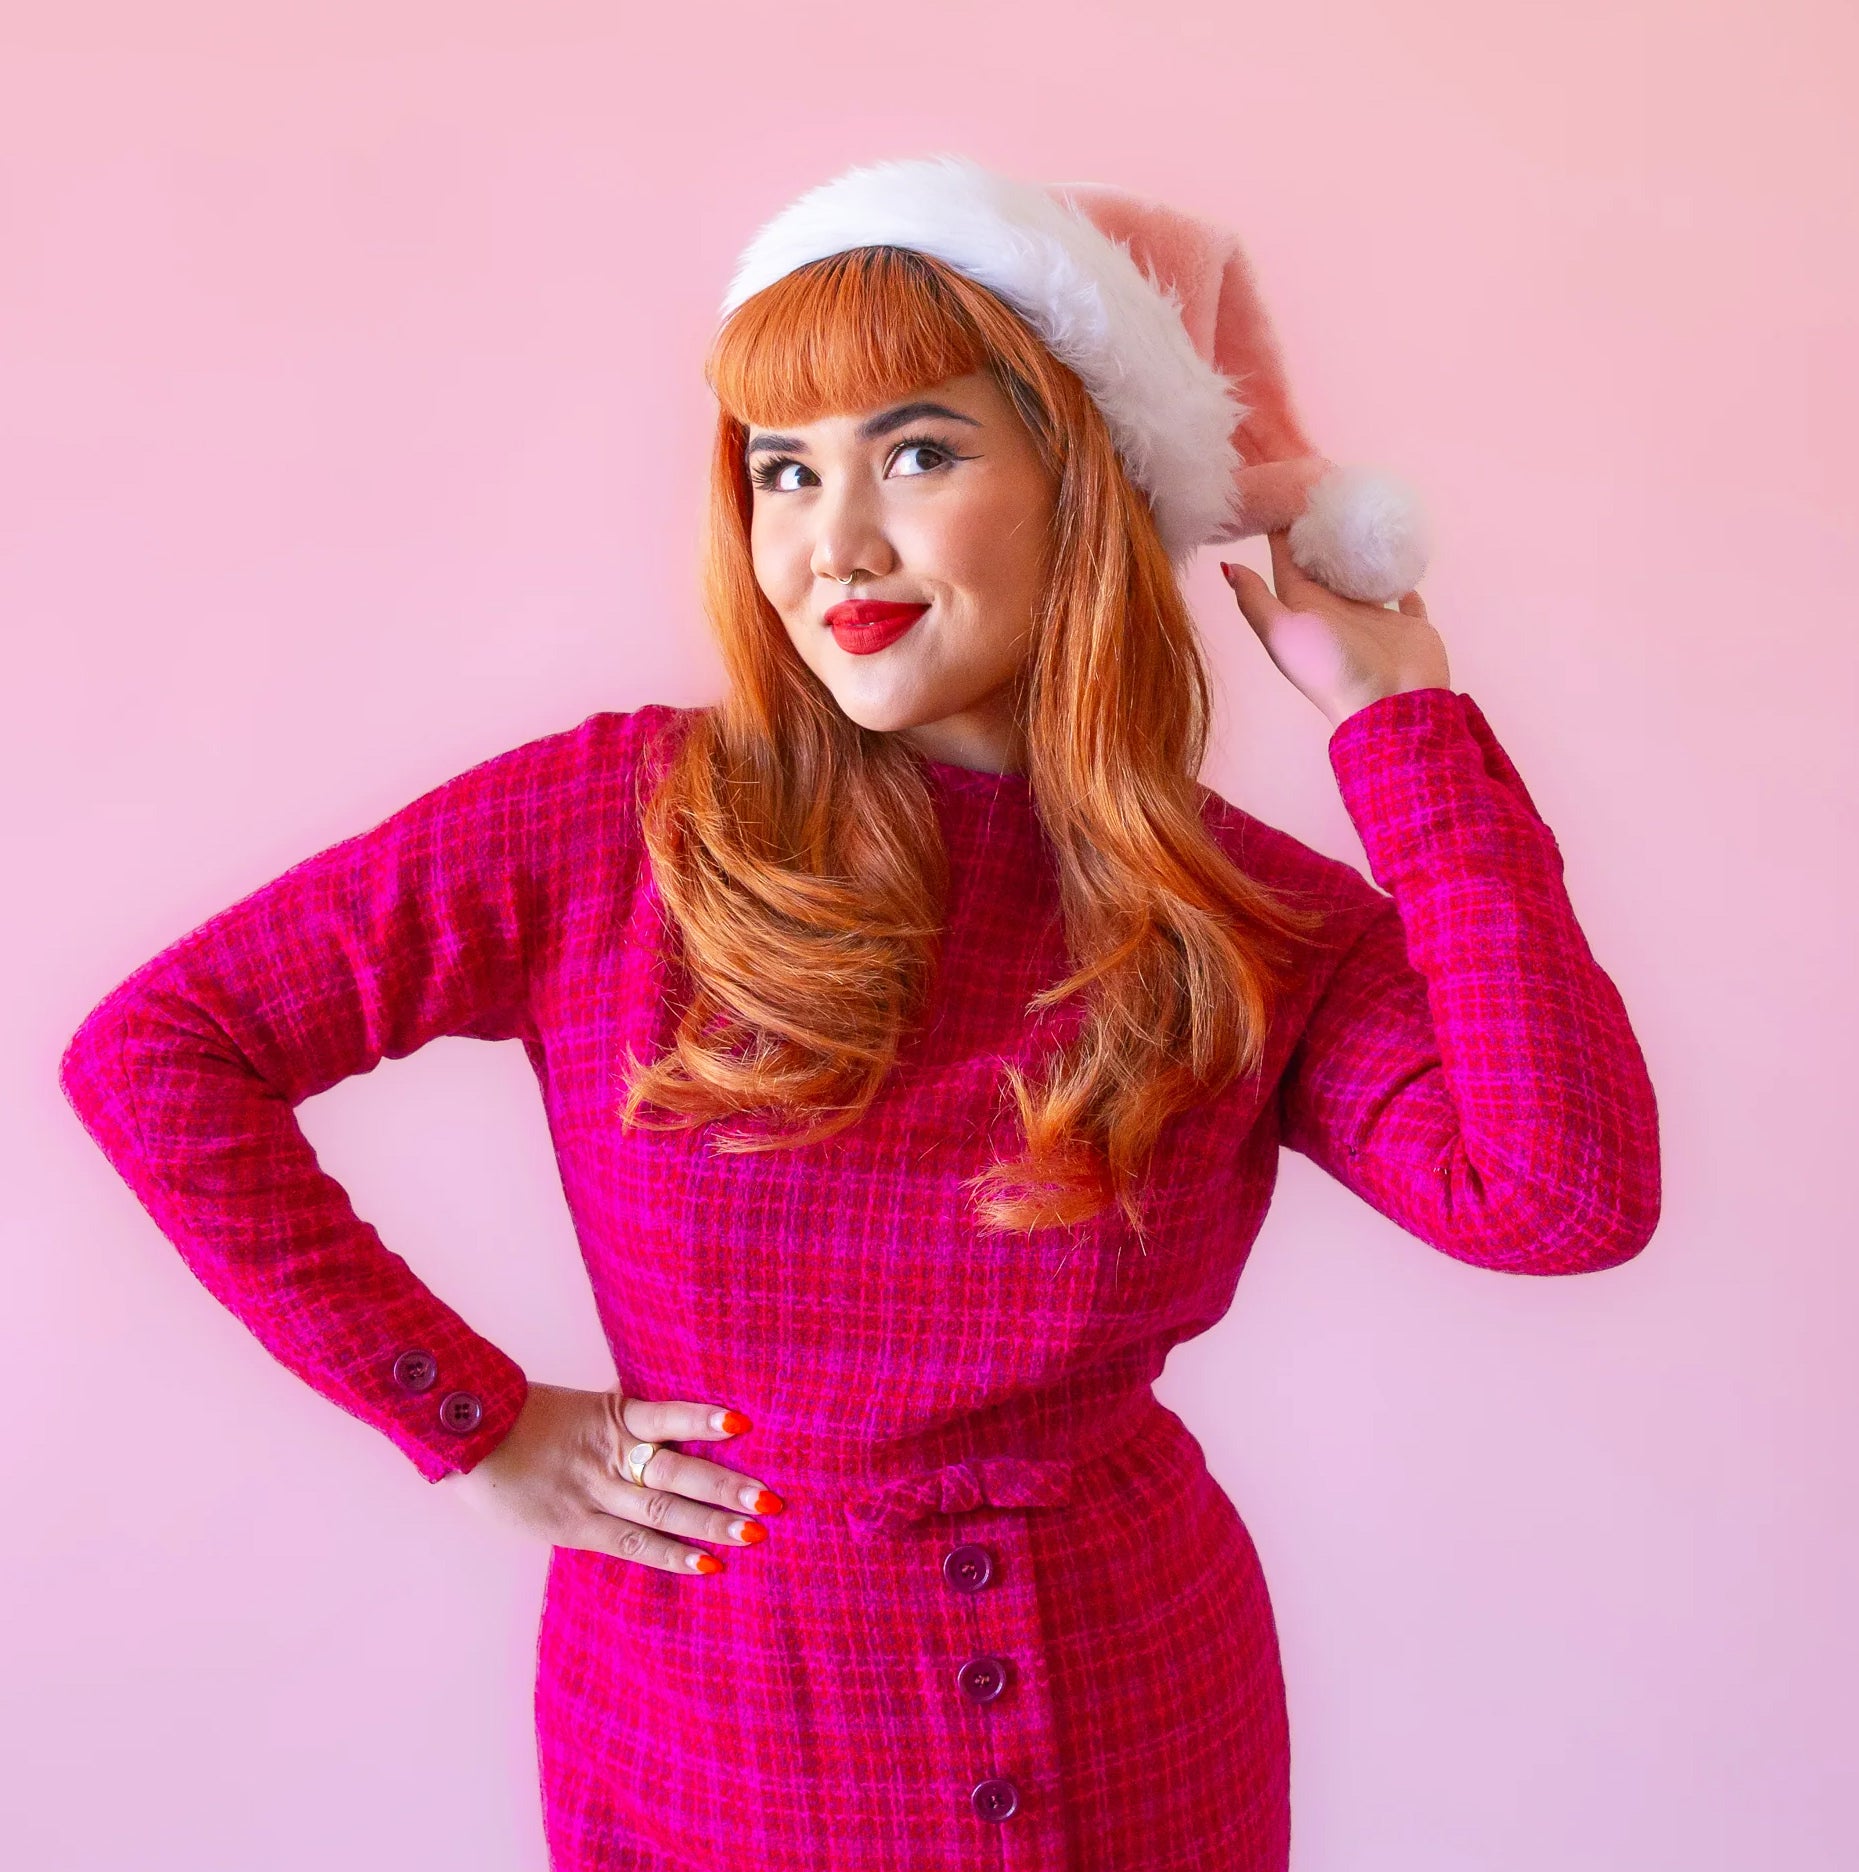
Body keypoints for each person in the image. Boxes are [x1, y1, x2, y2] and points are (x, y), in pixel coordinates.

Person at [57, 154, 1662, 1871]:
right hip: (723, 1735)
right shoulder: (616, 826)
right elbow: (159, 1053)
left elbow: (1556, 1199)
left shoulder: (1238, 913)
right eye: (780, 470)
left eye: (917, 451)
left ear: (1082, 481)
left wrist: (1400, 728)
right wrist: (468, 1420)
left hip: (1142, 1718)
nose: (833, 543)